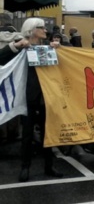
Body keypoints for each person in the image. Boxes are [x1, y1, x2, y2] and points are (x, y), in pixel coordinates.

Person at [0, 18, 63, 182]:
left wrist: (60, 47)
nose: (45, 30)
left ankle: (49, 166)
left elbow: (67, 59)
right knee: (27, 135)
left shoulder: (48, 47)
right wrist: (16, 46)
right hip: (28, 99)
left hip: (47, 98)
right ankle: (25, 167)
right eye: (42, 27)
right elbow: (1, 58)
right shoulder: (21, 46)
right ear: (32, 29)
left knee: (47, 134)